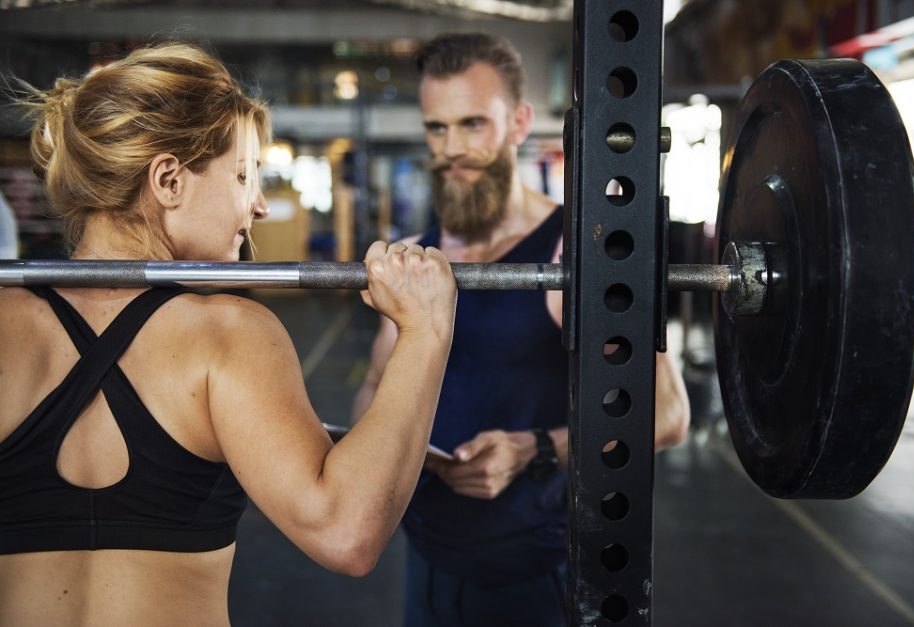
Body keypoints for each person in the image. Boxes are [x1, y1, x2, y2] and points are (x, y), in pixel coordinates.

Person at [0, 42, 457, 626]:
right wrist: (425, 331)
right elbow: (347, 532)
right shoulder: (228, 335)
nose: (259, 206)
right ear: (168, 180)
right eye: (244, 175)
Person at [352, 33, 691, 627]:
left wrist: (532, 450)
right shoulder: (413, 256)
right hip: (427, 559)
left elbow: (666, 414)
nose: (453, 148)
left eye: (473, 123)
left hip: (533, 573)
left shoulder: (576, 254)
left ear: (520, 123)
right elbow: (376, 385)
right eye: (437, 128)